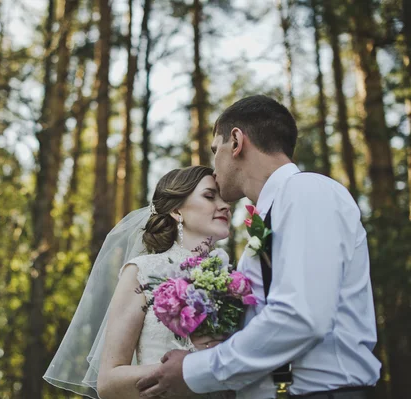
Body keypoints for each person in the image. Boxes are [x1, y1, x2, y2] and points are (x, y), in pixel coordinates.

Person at [136, 95, 382, 399]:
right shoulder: (275, 210)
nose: (214, 169)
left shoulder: (306, 191)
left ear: (237, 141)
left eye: (216, 150)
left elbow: (301, 317)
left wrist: (195, 370)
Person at [44, 166, 234, 399]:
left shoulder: (235, 279)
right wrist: (189, 370)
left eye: (224, 198)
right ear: (176, 211)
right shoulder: (143, 271)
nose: (225, 205)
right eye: (209, 196)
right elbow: (108, 382)